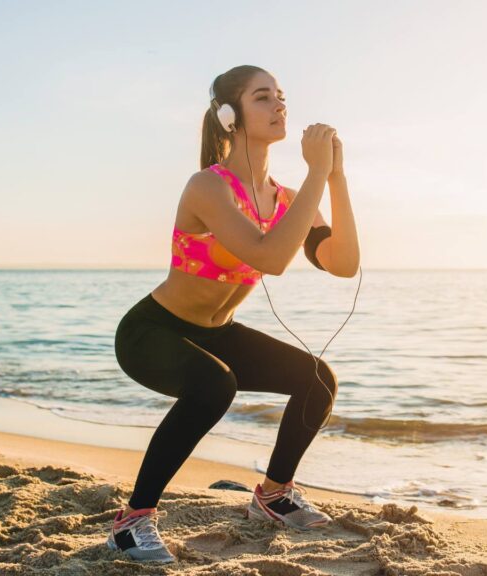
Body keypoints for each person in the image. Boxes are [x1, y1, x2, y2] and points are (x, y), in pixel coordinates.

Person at [107, 65, 360, 563]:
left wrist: (335, 177)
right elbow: (270, 257)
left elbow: (343, 264)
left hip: (216, 333)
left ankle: (273, 495)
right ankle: (131, 523)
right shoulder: (208, 186)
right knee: (213, 384)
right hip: (153, 331)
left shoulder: (287, 197)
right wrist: (314, 174)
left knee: (317, 378)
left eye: (281, 96)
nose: (280, 105)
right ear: (230, 116)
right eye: (263, 97)